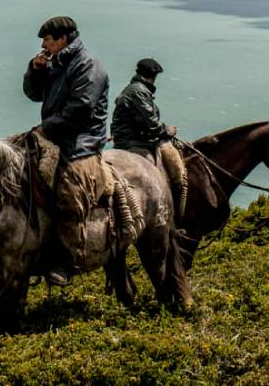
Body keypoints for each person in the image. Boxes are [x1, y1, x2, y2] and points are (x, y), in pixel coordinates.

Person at [22, 15, 109, 285]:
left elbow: (81, 109)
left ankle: (69, 259)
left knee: (68, 193)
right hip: (54, 134)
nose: (43, 45)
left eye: (47, 40)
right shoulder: (56, 62)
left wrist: (46, 127)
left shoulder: (88, 65)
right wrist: (35, 70)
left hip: (82, 141)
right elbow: (34, 94)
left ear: (63, 39)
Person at [111, 58, 188, 218]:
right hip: (135, 143)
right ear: (153, 76)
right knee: (175, 171)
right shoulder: (139, 91)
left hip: (128, 140)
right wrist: (168, 130)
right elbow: (152, 126)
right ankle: (169, 215)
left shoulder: (133, 89)